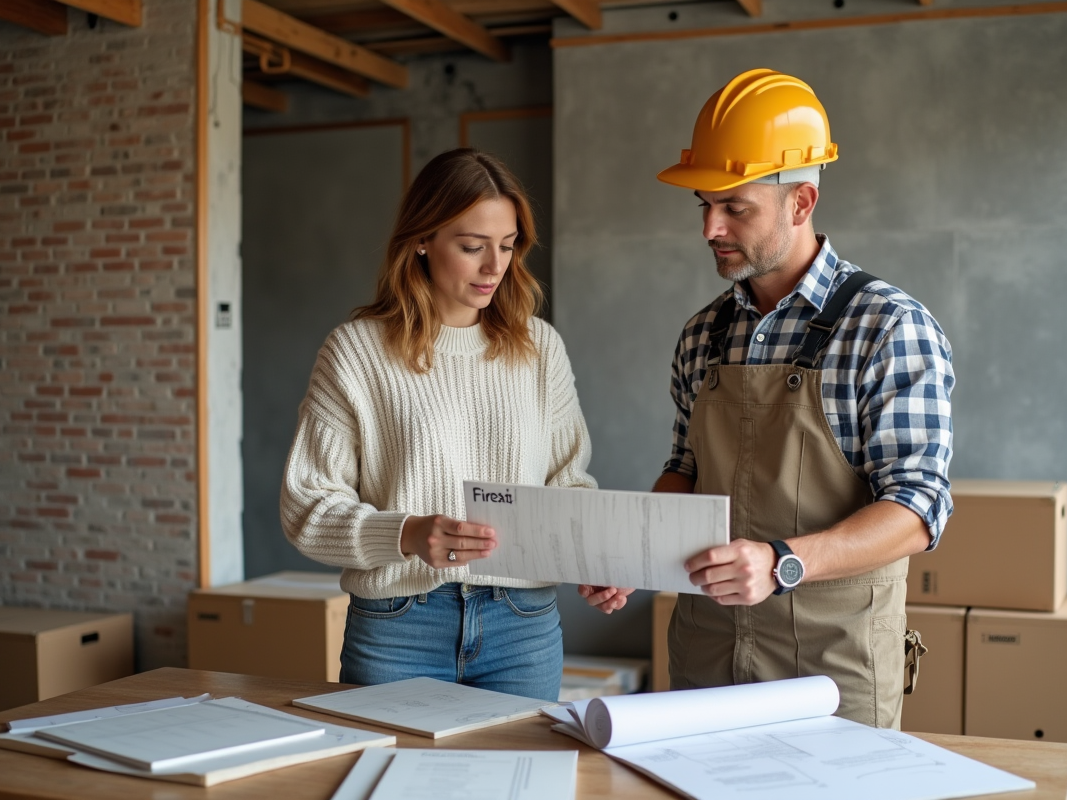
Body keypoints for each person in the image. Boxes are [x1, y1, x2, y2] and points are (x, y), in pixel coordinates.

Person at [649, 69, 953, 729]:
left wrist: (782, 562)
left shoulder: (888, 328)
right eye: (704, 204)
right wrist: (633, 549)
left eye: (736, 207)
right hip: (708, 664)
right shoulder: (702, 334)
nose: (710, 227)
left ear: (801, 201)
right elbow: (685, 469)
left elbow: (917, 510)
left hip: (832, 674)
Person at [280, 148, 597, 703]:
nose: (494, 266)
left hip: (520, 626)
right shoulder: (355, 353)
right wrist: (405, 533)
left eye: (507, 246)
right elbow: (307, 508)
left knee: (520, 788)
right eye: (473, 247)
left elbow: (568, 485)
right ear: (422, 239)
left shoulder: (541, 347)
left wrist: (593, 555)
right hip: (398, 626)